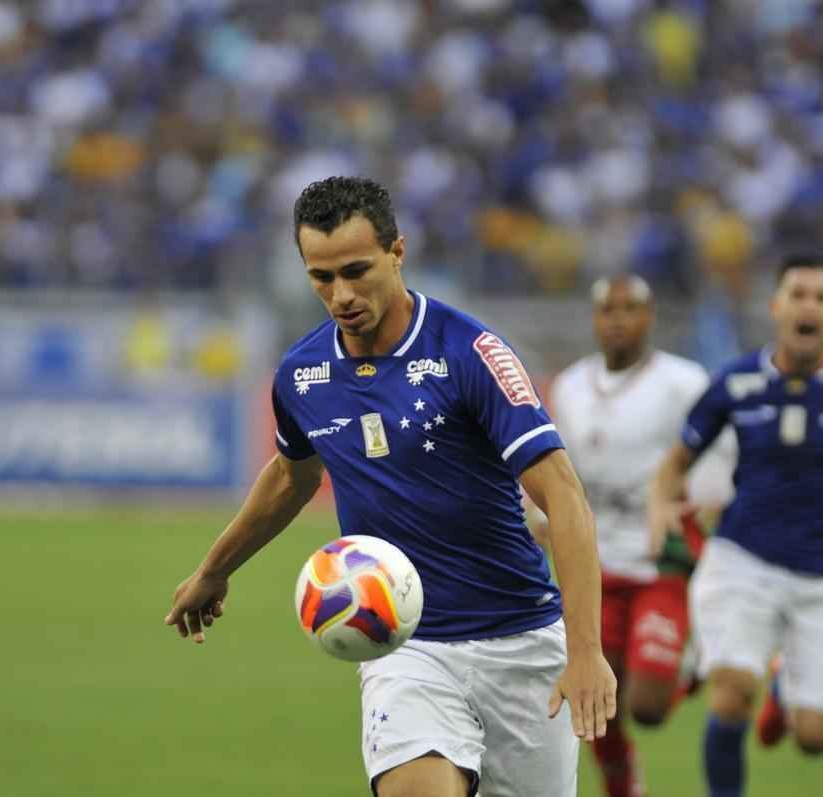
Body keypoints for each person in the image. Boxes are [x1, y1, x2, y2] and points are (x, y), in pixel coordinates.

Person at [165, 176, 616, 797]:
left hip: (522, 643)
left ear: (397, 252)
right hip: (405, 644)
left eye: (357, 270)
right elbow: (293, 474)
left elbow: (564, 498)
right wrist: (216, 568)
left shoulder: (471, 353)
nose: (341, 294)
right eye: (321, 277)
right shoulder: (303, 372)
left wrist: (586, 651)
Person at [648, 253, 823, 797]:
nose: (809, 306)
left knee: (815, 737)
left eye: (822, 298)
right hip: (742, 559)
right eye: (799, 295)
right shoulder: (735, 382)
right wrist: (662, 504)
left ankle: (786, 687)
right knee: (731, 691)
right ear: (776, 306)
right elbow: (674, 463)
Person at [547, 274, 732, 797]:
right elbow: (556, 470)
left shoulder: (684, 382)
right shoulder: (570, 386)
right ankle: (621, 778)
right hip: (594, 564)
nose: (618, 319)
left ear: (649, 317)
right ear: (594, 318)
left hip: (659, 558)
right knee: (593, 691)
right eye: (608, 309)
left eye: (630, 308)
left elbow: (717, 456)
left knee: (647, 707)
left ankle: (690, 663)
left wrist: (696, 506)